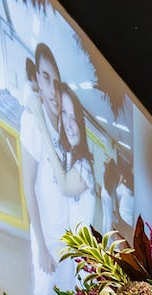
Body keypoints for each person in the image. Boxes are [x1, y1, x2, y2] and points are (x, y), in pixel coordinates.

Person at [19, 43, 68, 295]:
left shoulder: (60, 124)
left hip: (64, 237)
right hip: (45, 235)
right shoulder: (31, 121)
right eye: (45, 78)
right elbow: (28, 185)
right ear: (37, 78)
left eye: (56, 83)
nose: (52, 90)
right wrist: (41, 246)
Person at [56, 81, 99, 237]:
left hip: (80, 256)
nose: (69, 124)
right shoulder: (67, 156)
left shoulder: (84, 166)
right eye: (64, 113)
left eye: (74, 117)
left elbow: (65, 188)